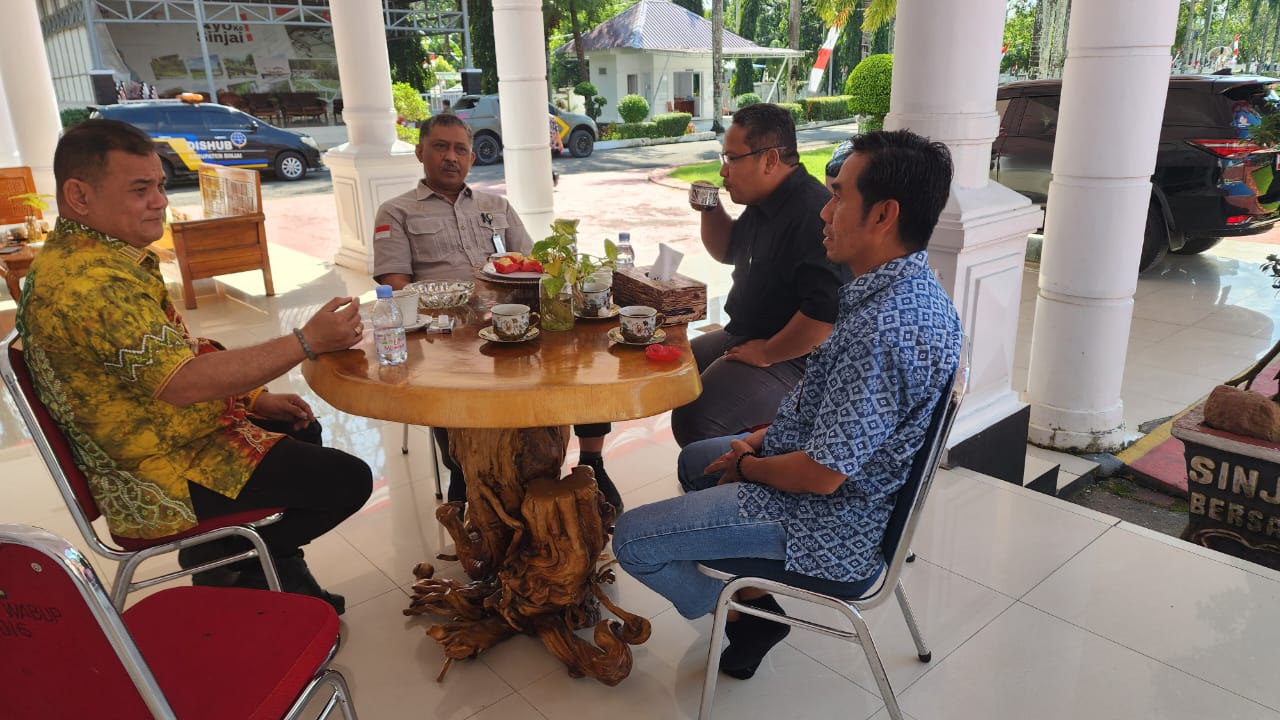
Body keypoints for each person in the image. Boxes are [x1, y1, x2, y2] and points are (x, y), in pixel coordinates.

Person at [613, 129, 963, 680]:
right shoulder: (911, 288)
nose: (826, 211)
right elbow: (834, 411)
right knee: (695, 460)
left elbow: (822, 476)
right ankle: (747, 585)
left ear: (883, 215)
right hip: (846, 490)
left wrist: (751, 465)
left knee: (632, 540)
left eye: (840, 195)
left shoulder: (882, 332)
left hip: (830, 524)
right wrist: (759, 440)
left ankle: (746, 616)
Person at [16, 119, 373, 614]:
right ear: (80, 196)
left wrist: (253, 398)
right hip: (157, 474)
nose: (160, 201)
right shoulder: (90, 284)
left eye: (160, 186)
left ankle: (250, 564)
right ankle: (232, 559)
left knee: (299, 426)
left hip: (170, 436)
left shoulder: (96, 257)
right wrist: (305, 342)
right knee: (348, 481)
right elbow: (183, 382)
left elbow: (176, 353)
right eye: (140, 189)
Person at [372, 114, 623, 508]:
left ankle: (592, 460)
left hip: (513, 320)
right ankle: (463, 472)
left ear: (472, 158)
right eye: (440, 147)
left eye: (460, 149)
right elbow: (396, 287)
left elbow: (536, 264)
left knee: (579, 353)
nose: (451, 157)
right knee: (445, 380)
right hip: (447, 334)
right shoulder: (396, 212)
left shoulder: (496, 206)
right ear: (420, 152)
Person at [671, 103, 848, 448]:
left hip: (796, 359)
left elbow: (824, 315)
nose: (723, 171)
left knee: (697, 418)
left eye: (732, 159)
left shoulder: (812, 213)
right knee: (673, 370)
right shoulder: (763, 201)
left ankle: (743, 473)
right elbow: (727, 250)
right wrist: (709, 208)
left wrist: (767, 351)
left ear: (769, 159)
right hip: (746, 333)